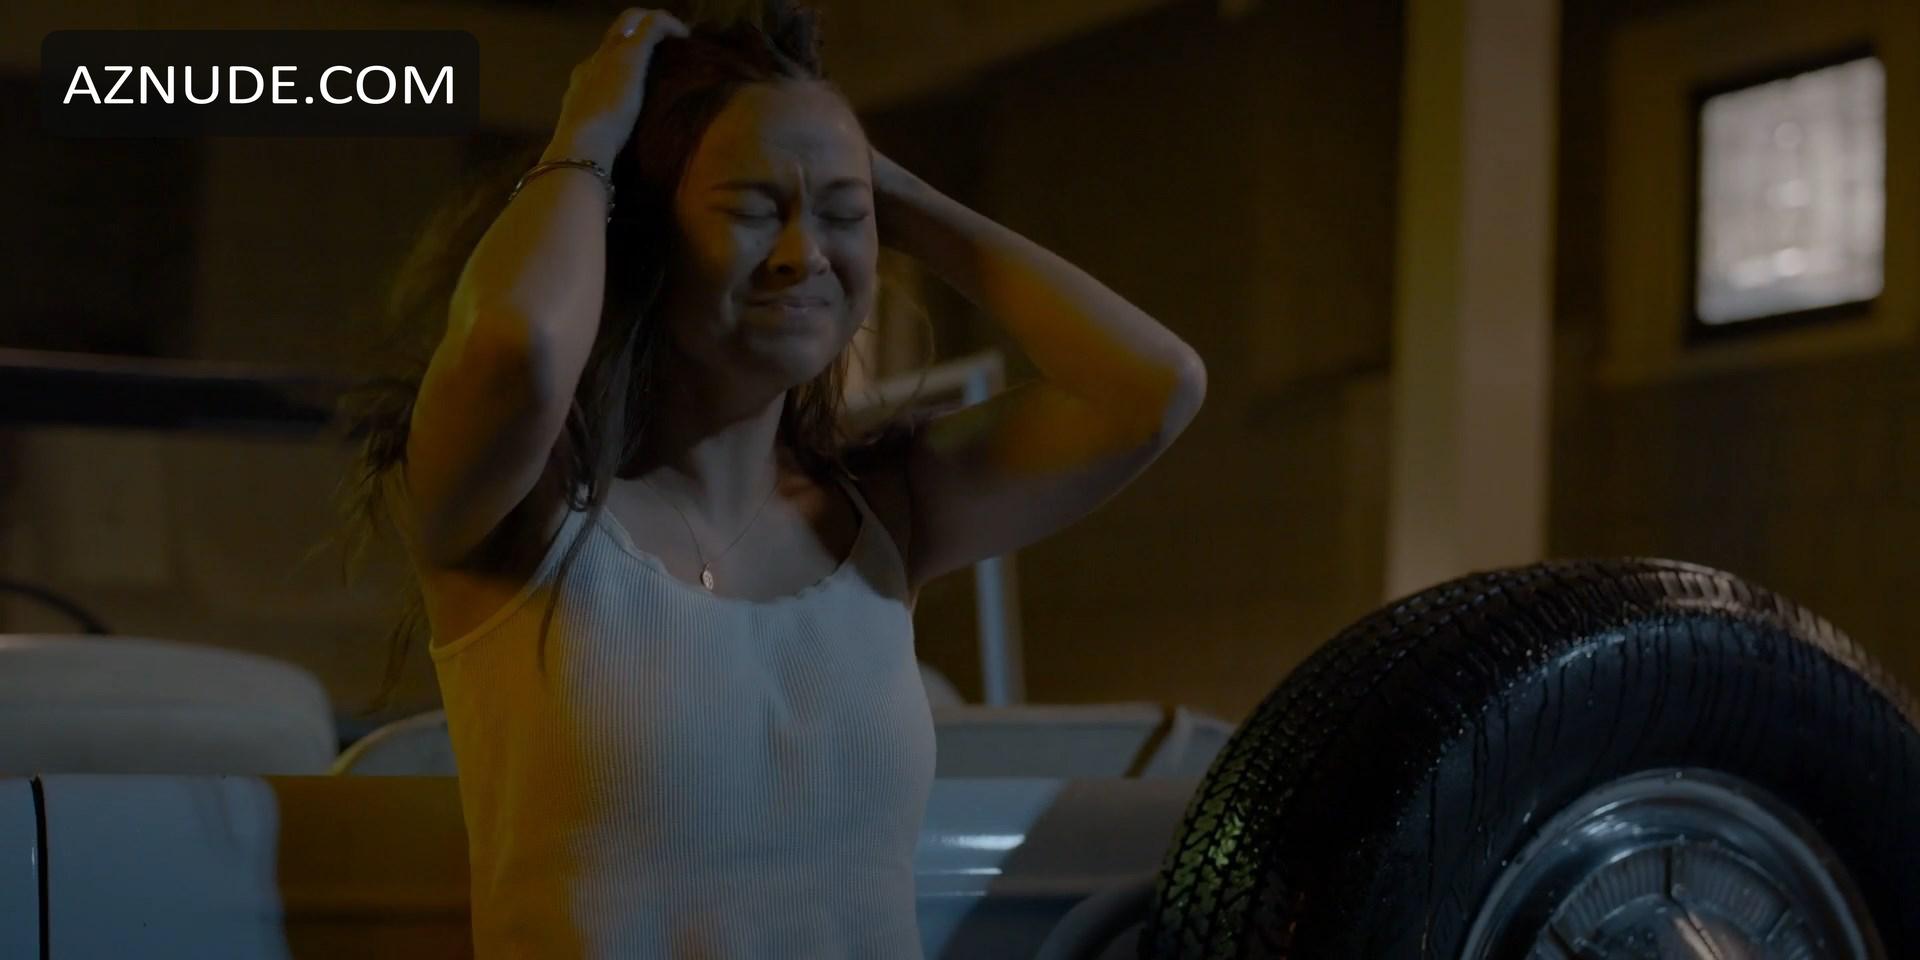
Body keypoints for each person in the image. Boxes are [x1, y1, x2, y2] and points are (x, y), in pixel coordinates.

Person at [345, 2, 1205, 956]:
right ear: (646, 236)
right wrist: (586, 138)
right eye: (755, 210)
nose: (805, 254)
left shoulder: (883, 512)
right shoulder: (521, 513)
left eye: (841, 216)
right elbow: (520, 349)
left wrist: (894, 195)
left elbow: (1154, 388)